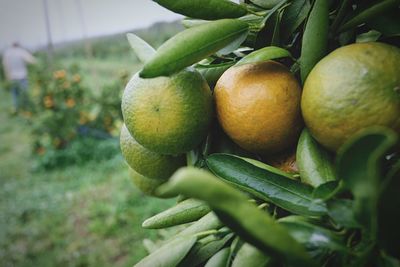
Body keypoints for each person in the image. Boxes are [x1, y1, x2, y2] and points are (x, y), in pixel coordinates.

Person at [2, 42, 37, 114]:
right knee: (24, 93)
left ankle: (16, 109)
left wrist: (7, 77)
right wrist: (36, 60)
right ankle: (26, 108)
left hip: (13, 78)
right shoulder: (21, 51)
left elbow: (5, 66)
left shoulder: (7, 53)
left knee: (15, 94)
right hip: (22, 76)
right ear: (18, 44)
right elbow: (31, 60)